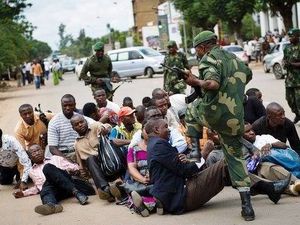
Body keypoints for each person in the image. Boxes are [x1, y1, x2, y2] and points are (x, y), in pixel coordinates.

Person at [146, 119, 289, 217]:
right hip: (182, 197)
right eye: (166, 127)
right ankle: (269, 190)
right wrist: (204, 153)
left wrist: (187, 160)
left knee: (227, 168)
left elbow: (177, 166)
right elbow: (186, 170)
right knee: (226, 164)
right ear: (157, 129)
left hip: (181, 190)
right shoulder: (159, 145)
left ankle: (271, 190)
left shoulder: (154, 145)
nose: (169, 130)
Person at [182, 30, 255, 220]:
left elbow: (213, 84)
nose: (197, 53)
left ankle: (195, 153)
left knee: (190, 110)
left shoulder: (208, 59)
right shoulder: (235, 58)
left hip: (215, 114)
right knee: (235, 158)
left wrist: (194, 81)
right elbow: (248, 75)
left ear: (203, 47)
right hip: (234, 119)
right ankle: (247, 206)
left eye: (197, 50)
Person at [13, 144, 95, 216]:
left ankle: (75, 192)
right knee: (45, 188)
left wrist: (69, 170)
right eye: (33, 152)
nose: (37, 153)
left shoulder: (56, 158)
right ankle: (51, 205)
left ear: (43, 150)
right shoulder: (32, 171)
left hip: (71, 182)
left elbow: (75, 167)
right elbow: (39, 186)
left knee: (48, 168)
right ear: (30, 157)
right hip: (57, 191)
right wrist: (24, 193)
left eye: (38, 150)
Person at [71, 114, 122, 203]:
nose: (80, 125)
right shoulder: (76, 144)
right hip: (98, 171)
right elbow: (81, 165)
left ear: (86, 122)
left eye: (81, 122)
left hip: (111, 162)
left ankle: (107, 191)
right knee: (90, 159)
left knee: (112, 145)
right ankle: (106, 189)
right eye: (76, 124)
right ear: (73, 128)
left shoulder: (95, 126)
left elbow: (107, 126)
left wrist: (105, 130)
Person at [47, 94, 94, 162]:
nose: (68, 108)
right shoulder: (54, 122)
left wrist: (105, 127)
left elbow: (95, 124)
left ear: (75, 105)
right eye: (65, 106)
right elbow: (52, 148)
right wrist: (67, 161)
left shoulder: (80, 118)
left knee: (93, 159)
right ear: (61, 105)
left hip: (82, 151)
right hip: (63, 155)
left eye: (70, 105)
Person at [283, 28, 300, 124]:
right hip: (289, 80)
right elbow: (285, 60)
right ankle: (297, 114)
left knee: (299, 101)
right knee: (289, 100)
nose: (290, 38)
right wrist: (285, 63)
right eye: (289, 36)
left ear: (298, 36)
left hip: (299, 80)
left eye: (292, 36)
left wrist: (292, 64)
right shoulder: (287, 48)